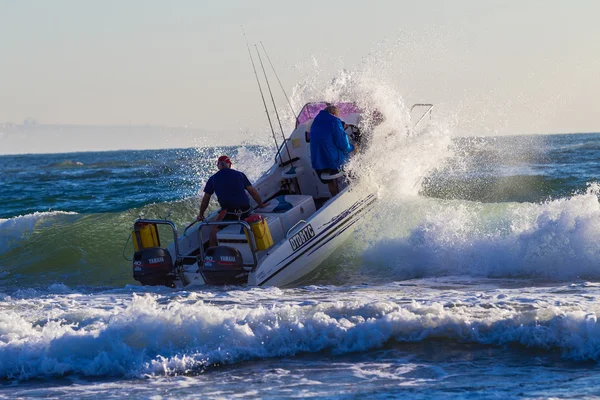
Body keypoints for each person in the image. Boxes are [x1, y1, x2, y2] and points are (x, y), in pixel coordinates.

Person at [197, 155, 268, 247]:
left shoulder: (213, 179)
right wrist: (261, 205)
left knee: (213, 232)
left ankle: (212, 257)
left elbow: (205, 200)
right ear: (229, 165)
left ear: (218, 165)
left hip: (230, 213)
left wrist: (201, 214)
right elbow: (253, 191)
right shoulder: (239, 174)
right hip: (246, 211)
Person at [309, 105, 355, 196]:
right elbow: (344, 145)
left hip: (318, 164)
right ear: (334, 114)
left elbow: (326, 130)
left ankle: (333, 197)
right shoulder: (335, 121)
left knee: (330, 181)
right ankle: (353, 192)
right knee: (352, 160)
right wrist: (353, 147)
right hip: (333, 163)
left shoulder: (315, 122)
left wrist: (341, 126)